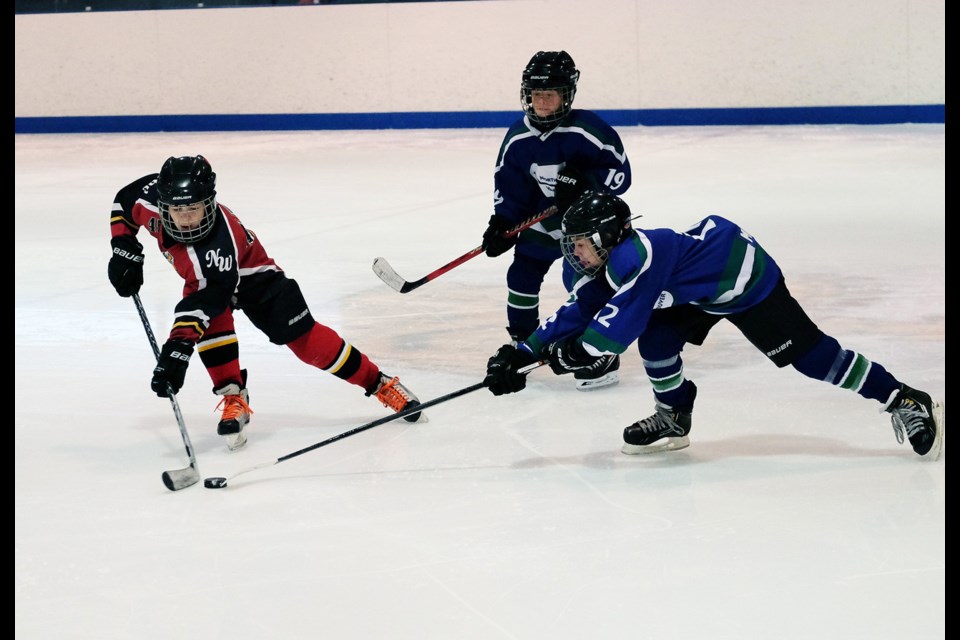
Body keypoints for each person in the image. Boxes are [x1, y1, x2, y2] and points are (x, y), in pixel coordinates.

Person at [483, 191, 944, 460]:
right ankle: (674, 416)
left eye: (581, 244)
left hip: (744, 281)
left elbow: (608, 334)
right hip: (696, 288)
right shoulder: (615, 259)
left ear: (605, 238)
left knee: (812, 358)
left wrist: (566, 356)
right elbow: (579, 308)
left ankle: (902, 396)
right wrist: (523, 352)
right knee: (659, 337)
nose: (575, 253)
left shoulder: (637, 259)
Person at [108, 155, 425, 451]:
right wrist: (124, 246)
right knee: (212, 327)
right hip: (206, 284)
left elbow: (206, 300)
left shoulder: (216, 244)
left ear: (210, 203)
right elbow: (124, 200)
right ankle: (234, 397)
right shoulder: (149, 202)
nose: (187, 219)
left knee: (307, 343)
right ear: (163, 205)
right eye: (179, 211)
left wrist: (176, 351)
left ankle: (379, 382)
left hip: (255, 279)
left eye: (195, 209)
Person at [481, 50, 632, 391]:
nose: (542, 102)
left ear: (567, 95)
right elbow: (510, 186)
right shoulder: (518, 137)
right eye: (536, 95)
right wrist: (502, 224)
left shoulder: (589, 129)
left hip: (586, 230)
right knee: (520, 276)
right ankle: (524, 345)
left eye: (550, 95)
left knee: (587, 287)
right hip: (543, 225)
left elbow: (621, 175)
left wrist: (586, 183)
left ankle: (601, 350)